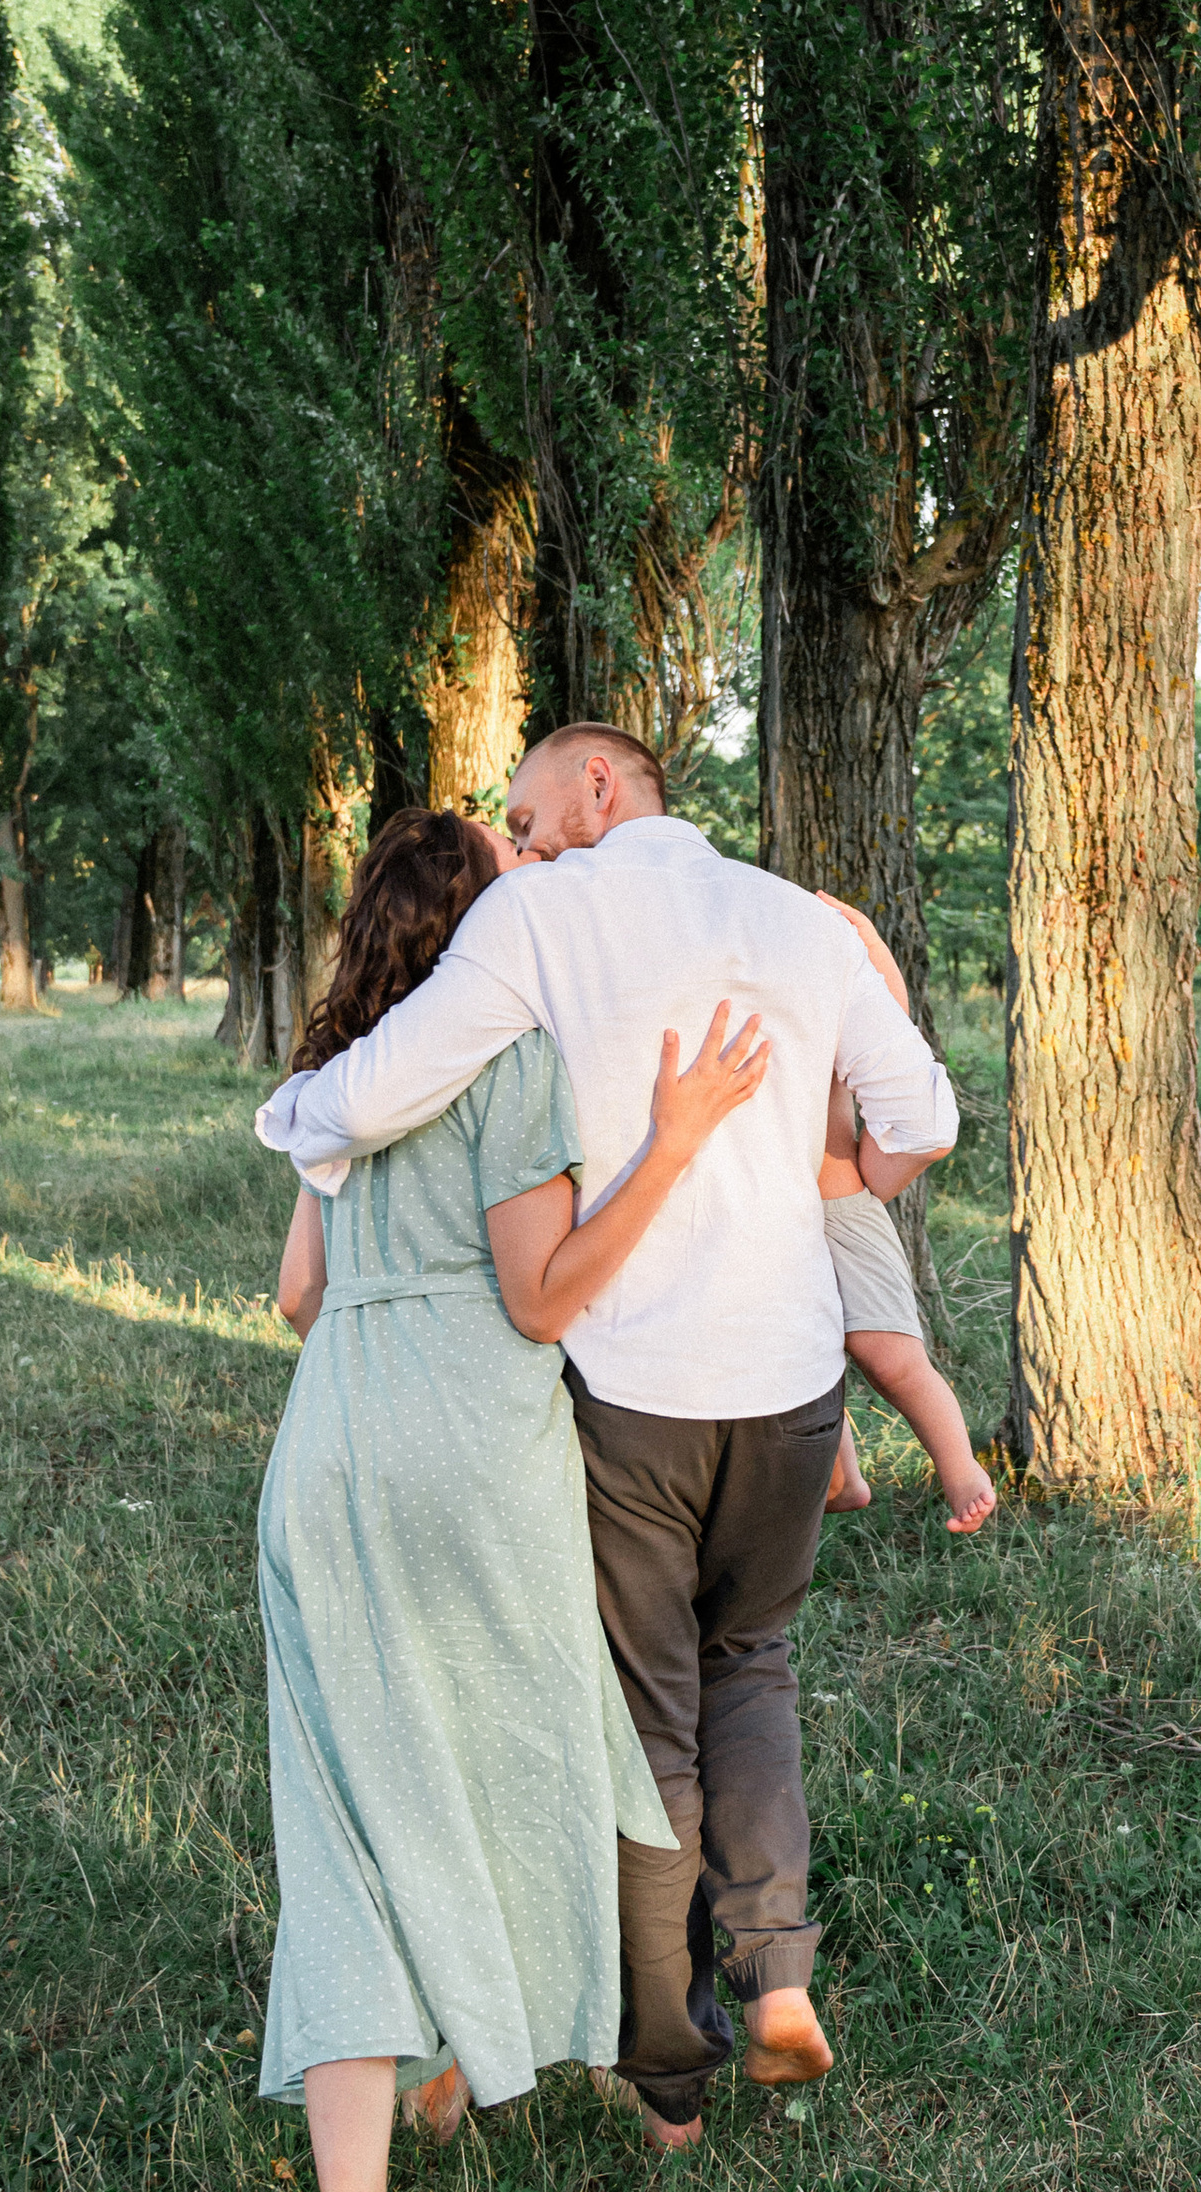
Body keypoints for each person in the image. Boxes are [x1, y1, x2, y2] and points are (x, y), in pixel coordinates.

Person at [257, 724, 957, 2152]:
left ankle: (660, 2083)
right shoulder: (792, 917)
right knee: (741, 1671)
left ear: (599, 784)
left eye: (533, 808)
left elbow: (370, 1127)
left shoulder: (531, 924)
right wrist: (831, 1177)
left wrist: (298, 1111)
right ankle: (770, 1981)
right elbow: (921, 1122)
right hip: (777, 1384)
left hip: (586, 1396)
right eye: (505, 831)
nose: (527, 840)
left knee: (626, 1725)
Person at [252, 807, 770, 2192]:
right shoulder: (513, 1060)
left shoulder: (340, 1076)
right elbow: (540, 1299)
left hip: (328, 1452)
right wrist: (671, 1143)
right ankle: (543, 2040)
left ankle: (384, 2130)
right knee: (514, 1766)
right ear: (491, 924)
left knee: (351, 1813)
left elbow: (298, 1296)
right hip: (477, 1447)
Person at [806, 902, 995, 1536]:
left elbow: (892, 1019)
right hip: (766, 1216)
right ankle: (843, 1477)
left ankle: (960, 1468)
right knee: (801, 1353)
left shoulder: (828, 1004)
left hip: (840, 1208)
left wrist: (866, 935)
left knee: (889, 1356)